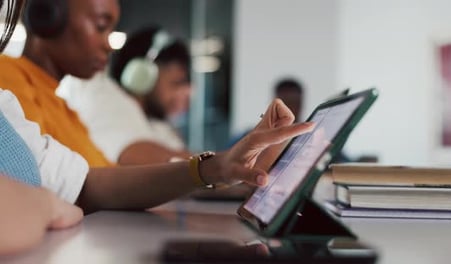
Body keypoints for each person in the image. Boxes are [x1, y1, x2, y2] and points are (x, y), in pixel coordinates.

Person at [0, 0, 314, 253]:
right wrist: (44, 206)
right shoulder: (12, 78)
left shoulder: (44, 105)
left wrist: (216, 167)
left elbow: (82, 184)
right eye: (100, 26)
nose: (109, 46)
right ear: (45, 17)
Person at [58, 26, 192, 165]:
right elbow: (136, 158)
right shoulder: (105, 96)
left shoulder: (157, 122)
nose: (186, 94)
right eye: (176, 83)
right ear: (142, 74)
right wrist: (209, 165)